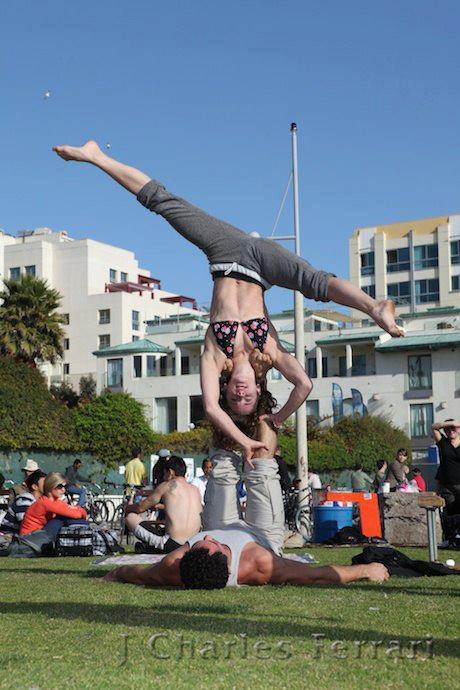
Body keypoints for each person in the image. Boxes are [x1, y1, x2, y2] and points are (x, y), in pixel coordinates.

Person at [53, 141, 404, 460]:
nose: (240, 394)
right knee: (313, 282)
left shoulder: (214, 356)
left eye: (235, 398)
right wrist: (277, 419)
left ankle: (96, 156)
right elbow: (305, 385)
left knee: (163, 202)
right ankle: (375, 307)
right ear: (258, 388)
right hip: (262, 265)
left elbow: (211, 408)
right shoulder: (271, 352)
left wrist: (244, 441)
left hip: (224, 254)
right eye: (247, 398)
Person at [103, 419, 389, 588]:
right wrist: (366, 570)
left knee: (222, 464)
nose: (207, 537)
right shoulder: (260, 565)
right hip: (261, 536)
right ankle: (262, 404)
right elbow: (317, 575)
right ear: (227, 564)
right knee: (262, 466)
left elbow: (135, 573)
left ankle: (229, 405)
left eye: (197, 544)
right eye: (213, 544)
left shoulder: (174, 566)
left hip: (221, 524)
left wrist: (111, 575)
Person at [124, 456, 202, 553]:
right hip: (192, 544)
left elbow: (140, 507)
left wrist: (127, 507)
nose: (163, 477)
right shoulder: (195, 489)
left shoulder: (168, 485)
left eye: (164, 473)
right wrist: (162, 506)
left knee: (130, 517)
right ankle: (150, 548)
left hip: (172, 544)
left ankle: (151, 547)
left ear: (170, 472)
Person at [20, 473, 88, 540]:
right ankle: (82, 537)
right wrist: (78, 510)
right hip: (29, 539)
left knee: (64, 517)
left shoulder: (54, 501)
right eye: (59, 486)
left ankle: (80, 537)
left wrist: (77, 510)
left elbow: (78, 513)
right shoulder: (46, 503)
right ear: (50, 486)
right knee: (61, 518)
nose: (63, 489)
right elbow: (77, 514)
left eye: (65, 486)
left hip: (36, 534)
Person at [432, 419, 460, 517]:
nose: (451, 431)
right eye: (447, 429)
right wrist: (452, 423)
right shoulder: (443, 442)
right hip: (447, 486)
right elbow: (434, 427)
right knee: (451, 513)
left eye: (453, 428)